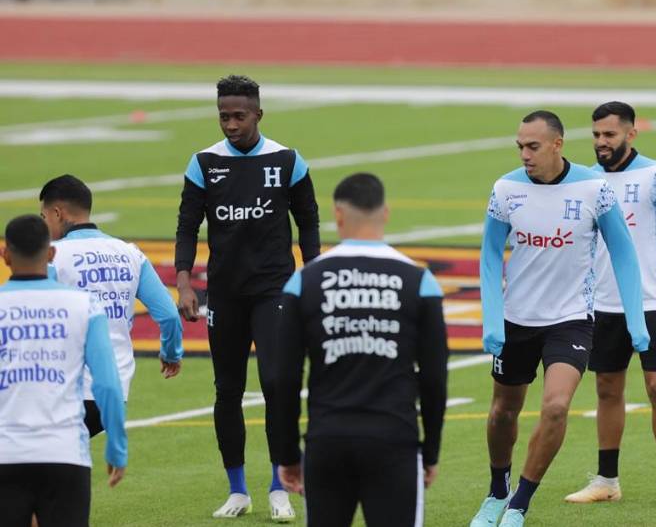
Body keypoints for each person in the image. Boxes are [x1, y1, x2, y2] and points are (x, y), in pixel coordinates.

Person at [470, 110, 650, 527]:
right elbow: (490, 255)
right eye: (520, 146)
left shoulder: (594, 189)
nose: (524, 154)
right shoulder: (505, 189)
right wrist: (492, 319)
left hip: (571, 319)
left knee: (555, 407)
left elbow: (623, 252)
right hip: (516, 319)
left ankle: (519, 503)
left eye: (532, 146)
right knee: (503, 412)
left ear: (557, 144)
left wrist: (636, 319)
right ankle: (497, 491)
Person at [175, 74, 320, 521]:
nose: (231, 125)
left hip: (275, 290)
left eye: (239, 116)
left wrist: (313, 274)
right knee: (227, 390)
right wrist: (184, 282)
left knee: (277, 384)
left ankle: (280, 486)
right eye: (224, 117)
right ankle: (237, 490)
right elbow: (187, 227)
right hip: (224, 294)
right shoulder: (204, 163)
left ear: (259, 114)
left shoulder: (287, 161)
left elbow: (308, 223)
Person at [269, 172, 448, 527]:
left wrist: (287, 454)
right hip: (394, 440)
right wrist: (429, 452)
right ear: (386, 213)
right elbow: (434, 378)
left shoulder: (304, 280)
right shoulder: (419, 281)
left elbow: (282, 378)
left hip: (327, 440)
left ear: (337, 214)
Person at [565, 101, 656, 507]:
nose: (601, 142)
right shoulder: (586, 180)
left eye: (610, 134)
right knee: (607, 389)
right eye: (596, 135)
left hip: (653, 301)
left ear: (631, 134)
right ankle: (607, 479)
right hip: (602, 304)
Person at [0, 215, 127, 527]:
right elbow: (108, 385)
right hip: (65, 453)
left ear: (5, 255)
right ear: (51, 253)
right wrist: (117, 447)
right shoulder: (84, 305)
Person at [40, 174, 183, 437]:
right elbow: (170, 315)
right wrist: (171, 353)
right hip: (114, 392)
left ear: (57, 213)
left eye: (44, 217)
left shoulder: (51, 256)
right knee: (68, 453)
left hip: (65, 389)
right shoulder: (130, 253)